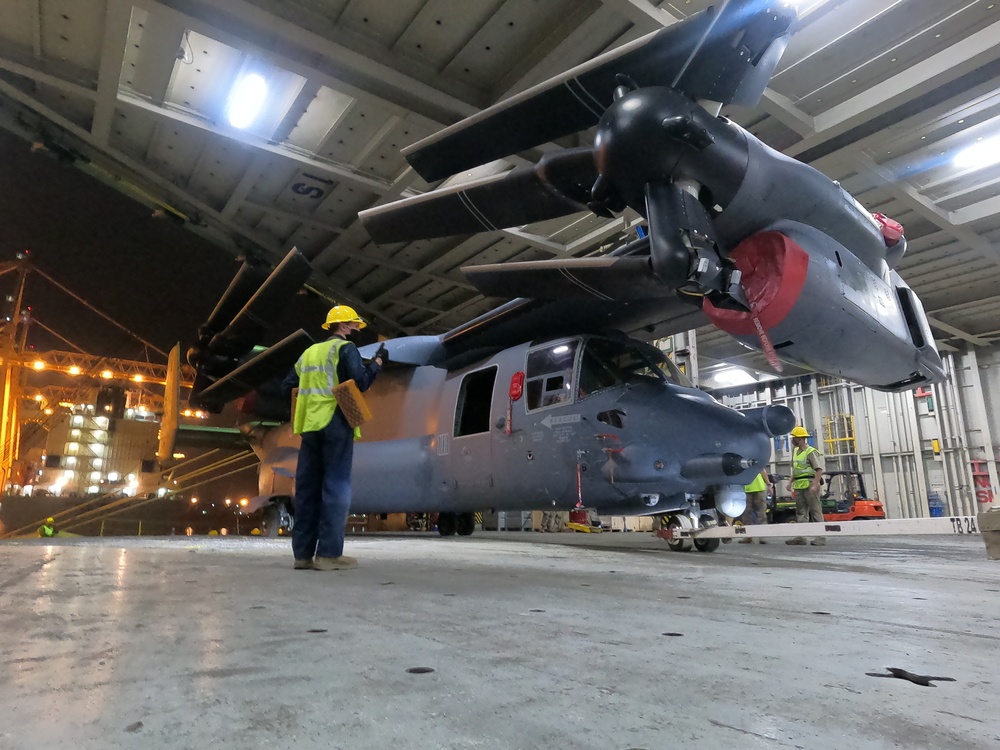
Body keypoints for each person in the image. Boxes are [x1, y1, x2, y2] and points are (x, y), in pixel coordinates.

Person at [283, 305, 384, 571]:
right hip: (336, 421)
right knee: (336, 486)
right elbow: (360, 382)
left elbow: (287, 385)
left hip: (309, 425)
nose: (356, 331)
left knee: (307, 490)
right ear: (342, 326)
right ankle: (328, 554)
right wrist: (377, 364)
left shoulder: (307, 353)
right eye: (354, 326)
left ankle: (302, 555)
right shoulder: (345, 349)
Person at [785, 426, 825, 546]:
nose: (792, 440)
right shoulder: (796, 452)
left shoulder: (810, 451)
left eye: (794, 438)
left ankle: (821, 538)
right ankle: (801, 537)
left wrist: (816, 484)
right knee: (801, 512)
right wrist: (790, 482)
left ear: (801, 439)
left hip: (809, 484)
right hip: (799, 485)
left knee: (815, 511)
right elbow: (796, 470)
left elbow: (818, 469)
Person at [738, 468, 771, 544]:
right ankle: (748, 536)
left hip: (757, 488)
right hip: (746, 489)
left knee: (760, 513)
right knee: (747, 514)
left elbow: (762, 469)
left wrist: (768, 483)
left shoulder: (755, 457)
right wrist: (768, 484)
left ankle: (762, 536)